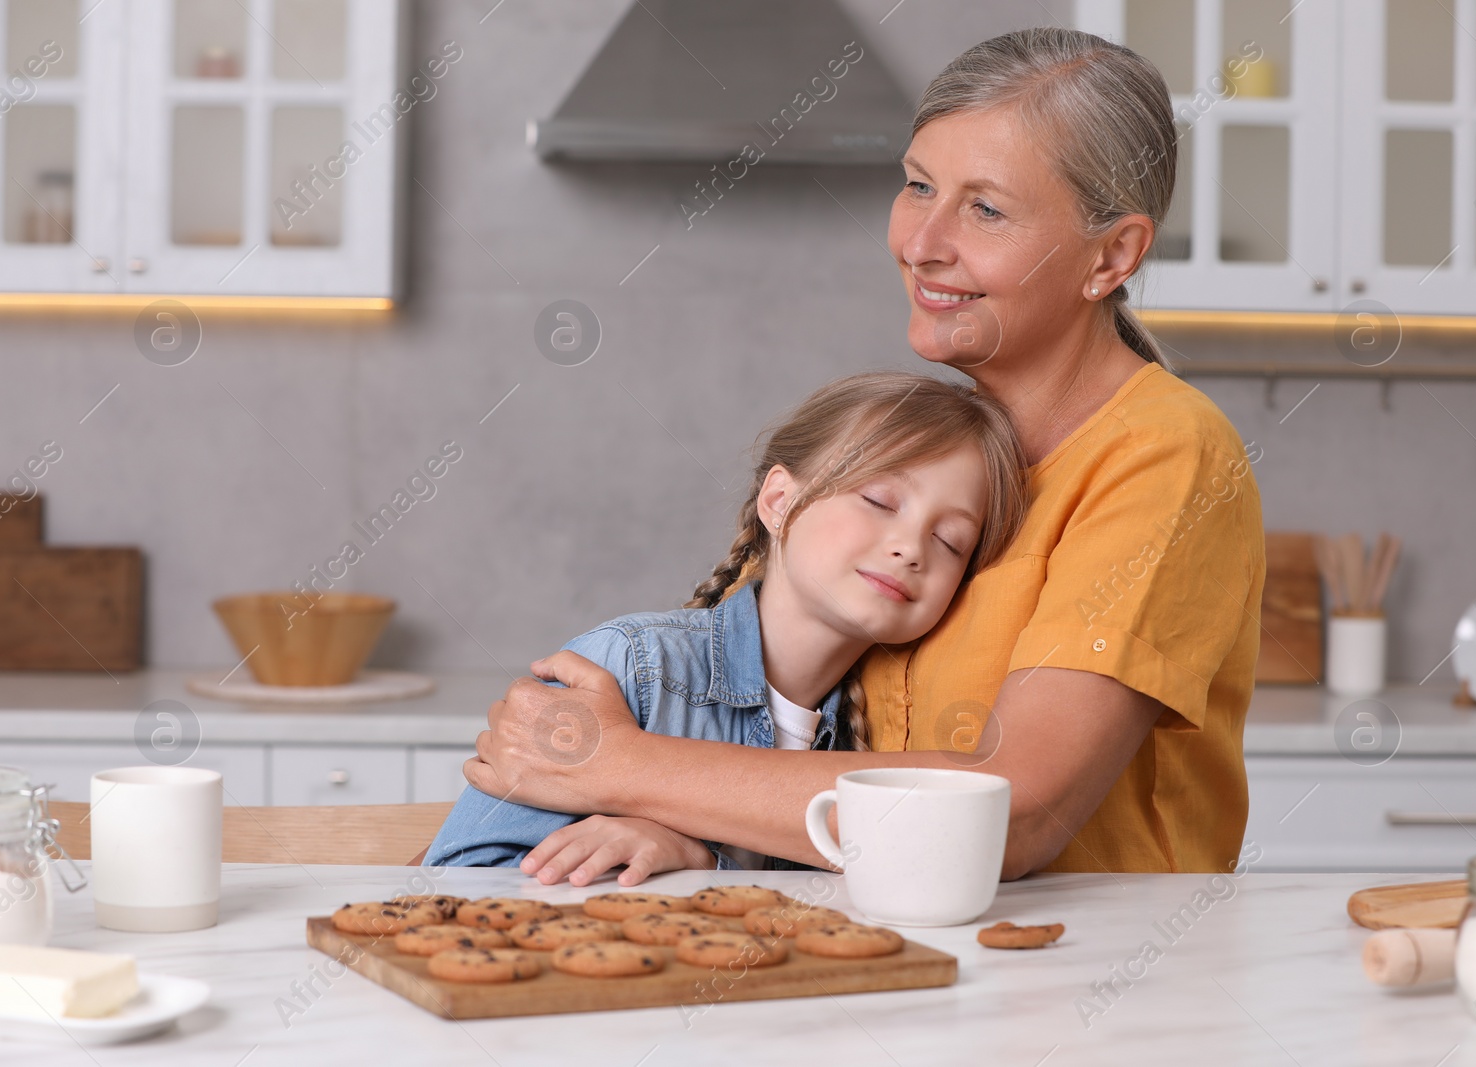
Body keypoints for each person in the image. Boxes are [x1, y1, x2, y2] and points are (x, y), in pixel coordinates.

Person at [463, 27, 1266, 882]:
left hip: (1086, 980)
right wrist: (682, 838)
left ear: (1113, 255)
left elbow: (1015, 815)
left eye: (986, 209)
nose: (923, 243)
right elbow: (760, 740)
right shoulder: (936, 452)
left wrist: (612, 766)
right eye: (919, 185)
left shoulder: (1166, 457)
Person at [424, 371, 1028, 883]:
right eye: (879, 502)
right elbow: (457, 875)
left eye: (951, 541)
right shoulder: (627, 670)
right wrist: (682, 863)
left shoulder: (877, 734)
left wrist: (693, 855)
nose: (911, 548)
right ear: (779, 501)